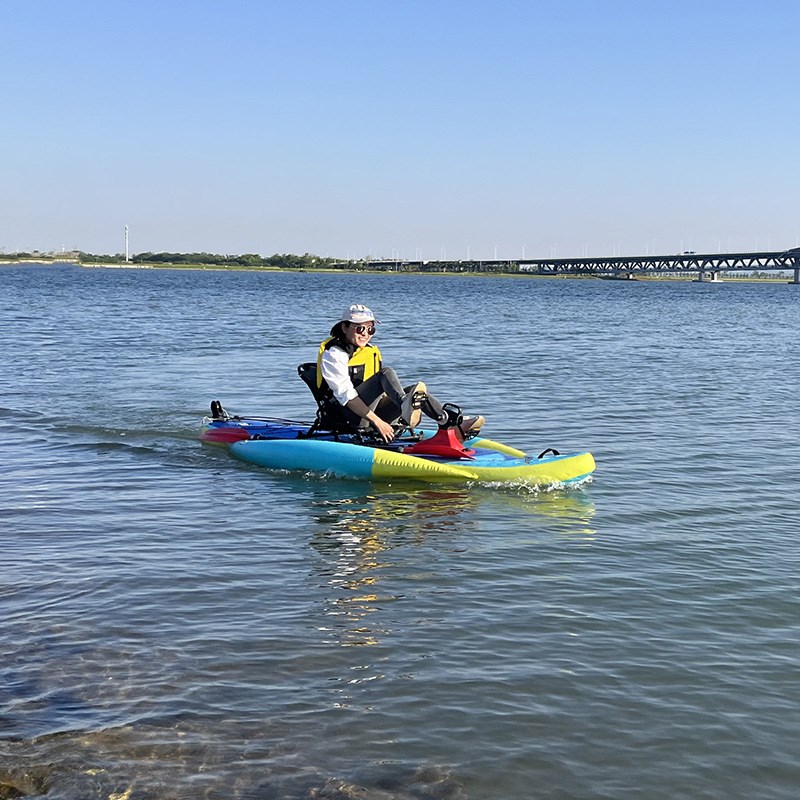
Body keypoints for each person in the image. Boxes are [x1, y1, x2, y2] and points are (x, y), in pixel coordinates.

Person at [317, 304, 484, 443]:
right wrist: (379, 423)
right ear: (344, 327)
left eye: (370, 329)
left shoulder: (369, 351)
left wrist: (386, 414)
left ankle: (451, 424)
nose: (365, 334)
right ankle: (406, 406)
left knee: (415, 392)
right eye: (360, 328)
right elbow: (346, 397)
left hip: (368, 414)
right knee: (386, 373)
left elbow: (376, 395)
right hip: (344, 416)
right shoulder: (334, 355)